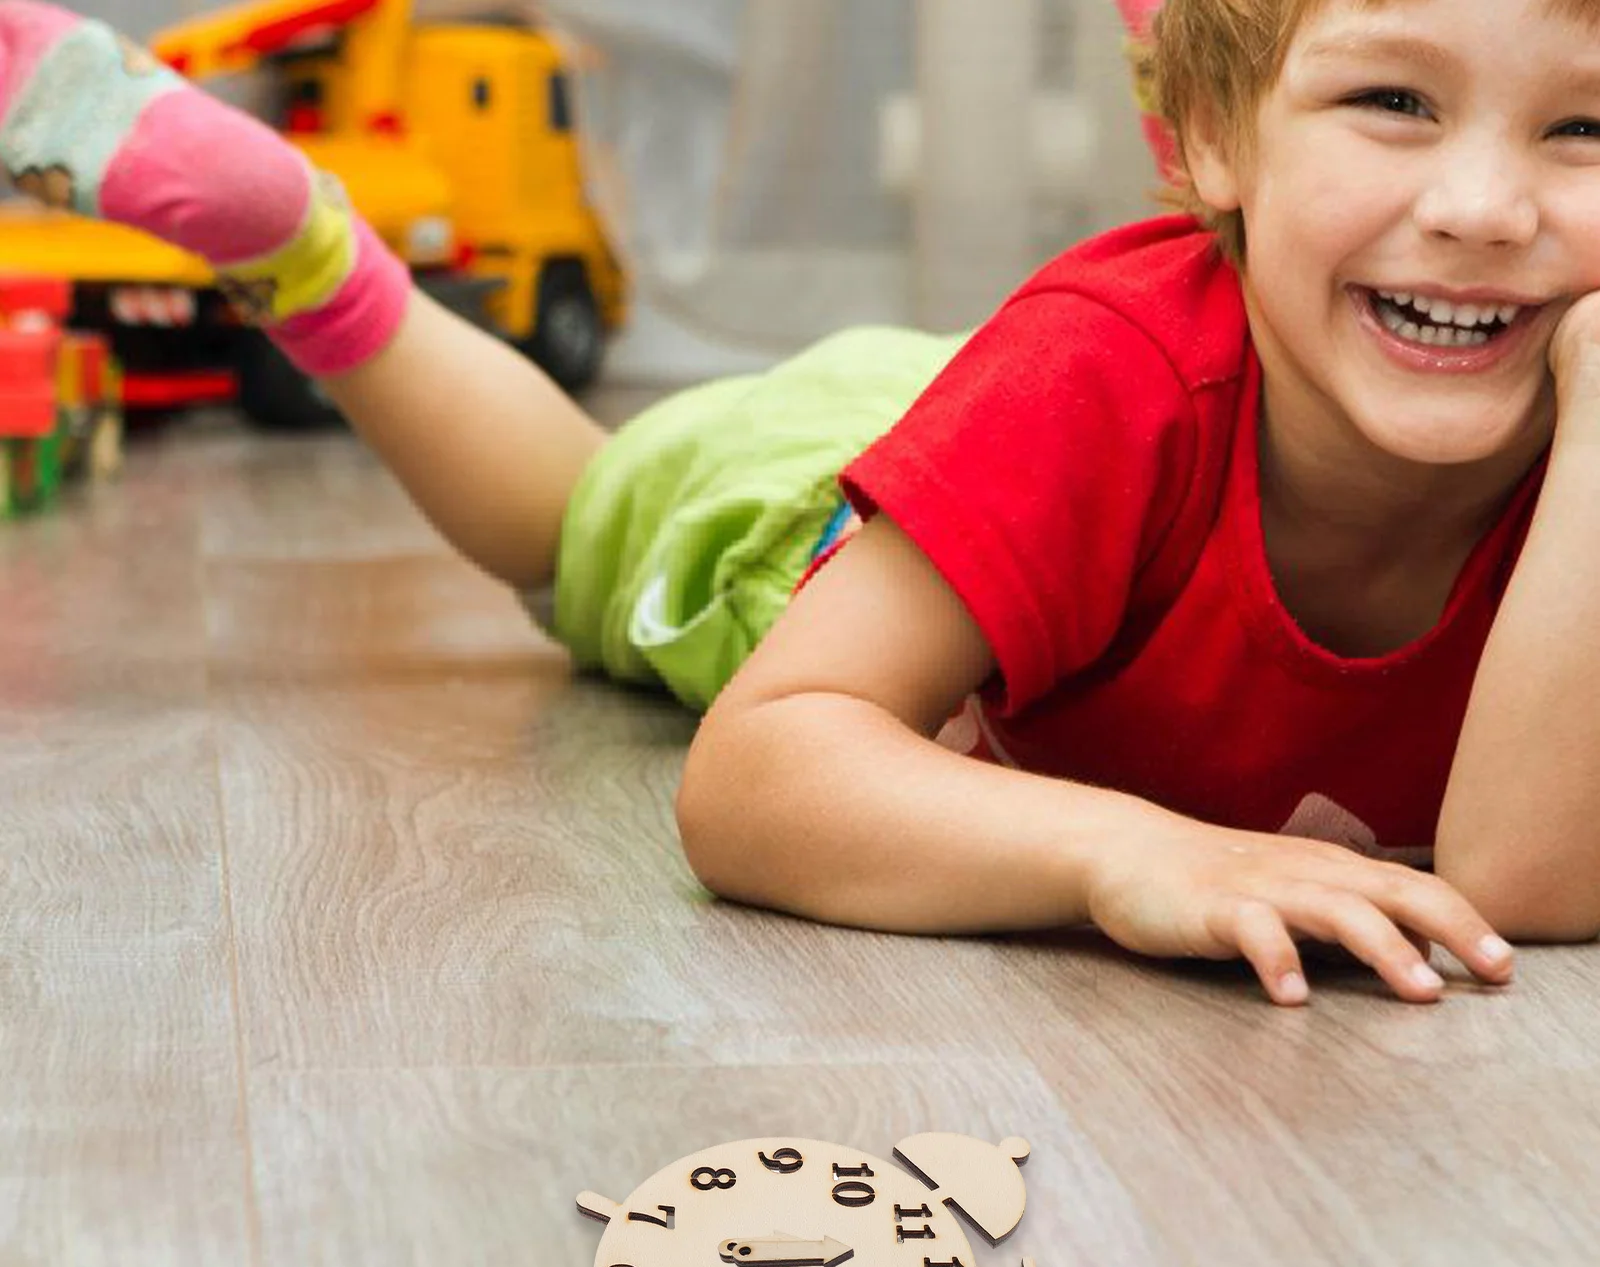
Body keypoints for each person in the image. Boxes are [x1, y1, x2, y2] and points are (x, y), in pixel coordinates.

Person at [7, 0, 1597, 1008]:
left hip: (1058, 430)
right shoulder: (1105, 379)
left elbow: (1522, 889)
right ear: (1210, 145)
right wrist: (1129, 853)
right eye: (1394, 100)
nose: (1485, 209)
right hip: (872, 478)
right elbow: (756, 779)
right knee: (565, 520)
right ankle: (305, 254)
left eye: (1587, 126)